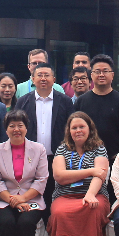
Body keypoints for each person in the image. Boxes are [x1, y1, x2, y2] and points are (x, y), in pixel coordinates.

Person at [47, 112, 111, 236]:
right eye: (74, 127)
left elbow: (101, 175)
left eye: (82, 126)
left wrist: (90, 194)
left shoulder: (99, 148)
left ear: (90, 128)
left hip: (94, 193)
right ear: (69, 130)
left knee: (92, 208)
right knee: (60, 213)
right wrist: (90, 171)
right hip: (65, 196)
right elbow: (60, 176)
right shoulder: (62, 149)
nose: (78, 130)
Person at [14, 63, 75, 210]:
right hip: (30, 159)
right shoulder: (23, 101)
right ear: (33, 79)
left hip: (58, 158)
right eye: (39, 75)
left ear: (54, 79)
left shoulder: (65, 101)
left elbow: (71, 129)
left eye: (47, 75)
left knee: (54, 197)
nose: (43, 78)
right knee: (33, 198)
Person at [74, 55, 119, 160]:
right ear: (91, 75)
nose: (101, 75)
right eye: (97, 71)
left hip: (116, 160)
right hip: (85, 160)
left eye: (105, 71)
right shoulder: (81, 101)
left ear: (112, 75)